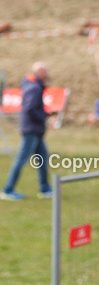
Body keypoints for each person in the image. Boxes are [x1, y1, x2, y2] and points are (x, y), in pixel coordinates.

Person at [1, 62, 53, 200]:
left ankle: (45, 188)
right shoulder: (34, 88)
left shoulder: (33, 85)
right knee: (21, 159)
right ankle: (8, 189)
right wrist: (43, 116)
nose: (48, 73)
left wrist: (44, 115)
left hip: (35, 129)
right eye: (46, 70)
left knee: (42, 157)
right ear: (40, 72)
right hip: (31, 129)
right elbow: (29, 109)